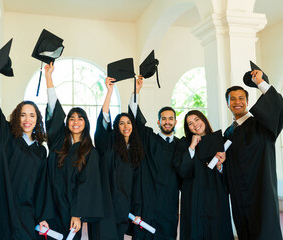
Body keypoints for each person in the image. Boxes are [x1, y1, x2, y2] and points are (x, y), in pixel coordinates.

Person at [0, 55, 47, 240]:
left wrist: (42, 217)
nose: (27, 120)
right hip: (2, 206)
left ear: (37, 120)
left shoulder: (41, 152)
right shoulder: (7, 138)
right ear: (17, 117)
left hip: (26, 213)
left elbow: (42, 188)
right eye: (23, 115)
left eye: (32, 115)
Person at [38, 62, 104, 240]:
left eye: (80, 118)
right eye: (72, 118)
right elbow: (54, 110)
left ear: (85, 123)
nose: (76, 122)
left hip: (70, 211)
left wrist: (78, 214)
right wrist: (48, 77)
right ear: (66, 123)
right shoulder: (59, 143)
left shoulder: (90, 152)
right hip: (49, 207)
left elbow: (86, 185)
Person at [224, 69, 283, 240]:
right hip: (239, 198)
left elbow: (279, 108)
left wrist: (260, 83)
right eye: (233, 99)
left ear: (247, 101)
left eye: (241, 98)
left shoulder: (262, 126)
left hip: (261, 194)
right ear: (227, 104)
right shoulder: (228, 134)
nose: (237, 102)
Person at [129, 76, 187, 240]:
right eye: (164, 119)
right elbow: (134, 121)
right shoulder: (149, 138)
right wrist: (136, 92)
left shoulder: (181, 145)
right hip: (147, 201)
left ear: (175, 121)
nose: (167, 122)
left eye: (170, 119)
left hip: (169, 203)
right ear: (158, 121)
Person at [92, 77, 144, 240]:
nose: (126, 126)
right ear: (116, 127)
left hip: (123, 206)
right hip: (105, 204)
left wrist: (136, 92)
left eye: (128, 123)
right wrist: (109, 92)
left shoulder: (135, 151)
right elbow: (104, 119)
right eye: (121, 123)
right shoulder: (109, 145)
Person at [179, 110, 234, 240]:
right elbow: (182, 170)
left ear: (204, 119)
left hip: (215, 196)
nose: (195, 125)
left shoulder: (220, 141)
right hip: (194, 196)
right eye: (190, 123)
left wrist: (220, 166)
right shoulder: (184, 144)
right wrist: (192, 146)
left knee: (216, 230)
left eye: (197, 119)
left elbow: (229, 173)